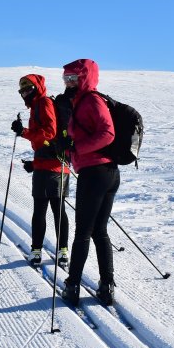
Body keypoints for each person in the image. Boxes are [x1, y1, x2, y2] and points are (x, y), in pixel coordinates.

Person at [60, 59, 119, 306]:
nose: (68, 82)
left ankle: (73, 286)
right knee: (98, 231)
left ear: (84, 78)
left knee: (84, 232)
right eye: (66, 78)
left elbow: (108, 133)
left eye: (73, 78)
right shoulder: (83, 101)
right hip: (104, 172)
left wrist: (77, 147)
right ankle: (107, 286)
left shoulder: (92, 100)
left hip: (96, 173)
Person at [10, 74, 69, 268]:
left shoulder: (43, 103)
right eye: (22, 91)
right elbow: (46, 140)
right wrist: (34, 165)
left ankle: (38, 252)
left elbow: (49, 133)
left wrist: (23, 132)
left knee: (43, 210)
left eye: (28, 89)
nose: (24, 93)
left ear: (36, 88)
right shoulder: (38, 105)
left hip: (52, 166)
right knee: (55, 209)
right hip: (53, 165)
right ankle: (61, 252)